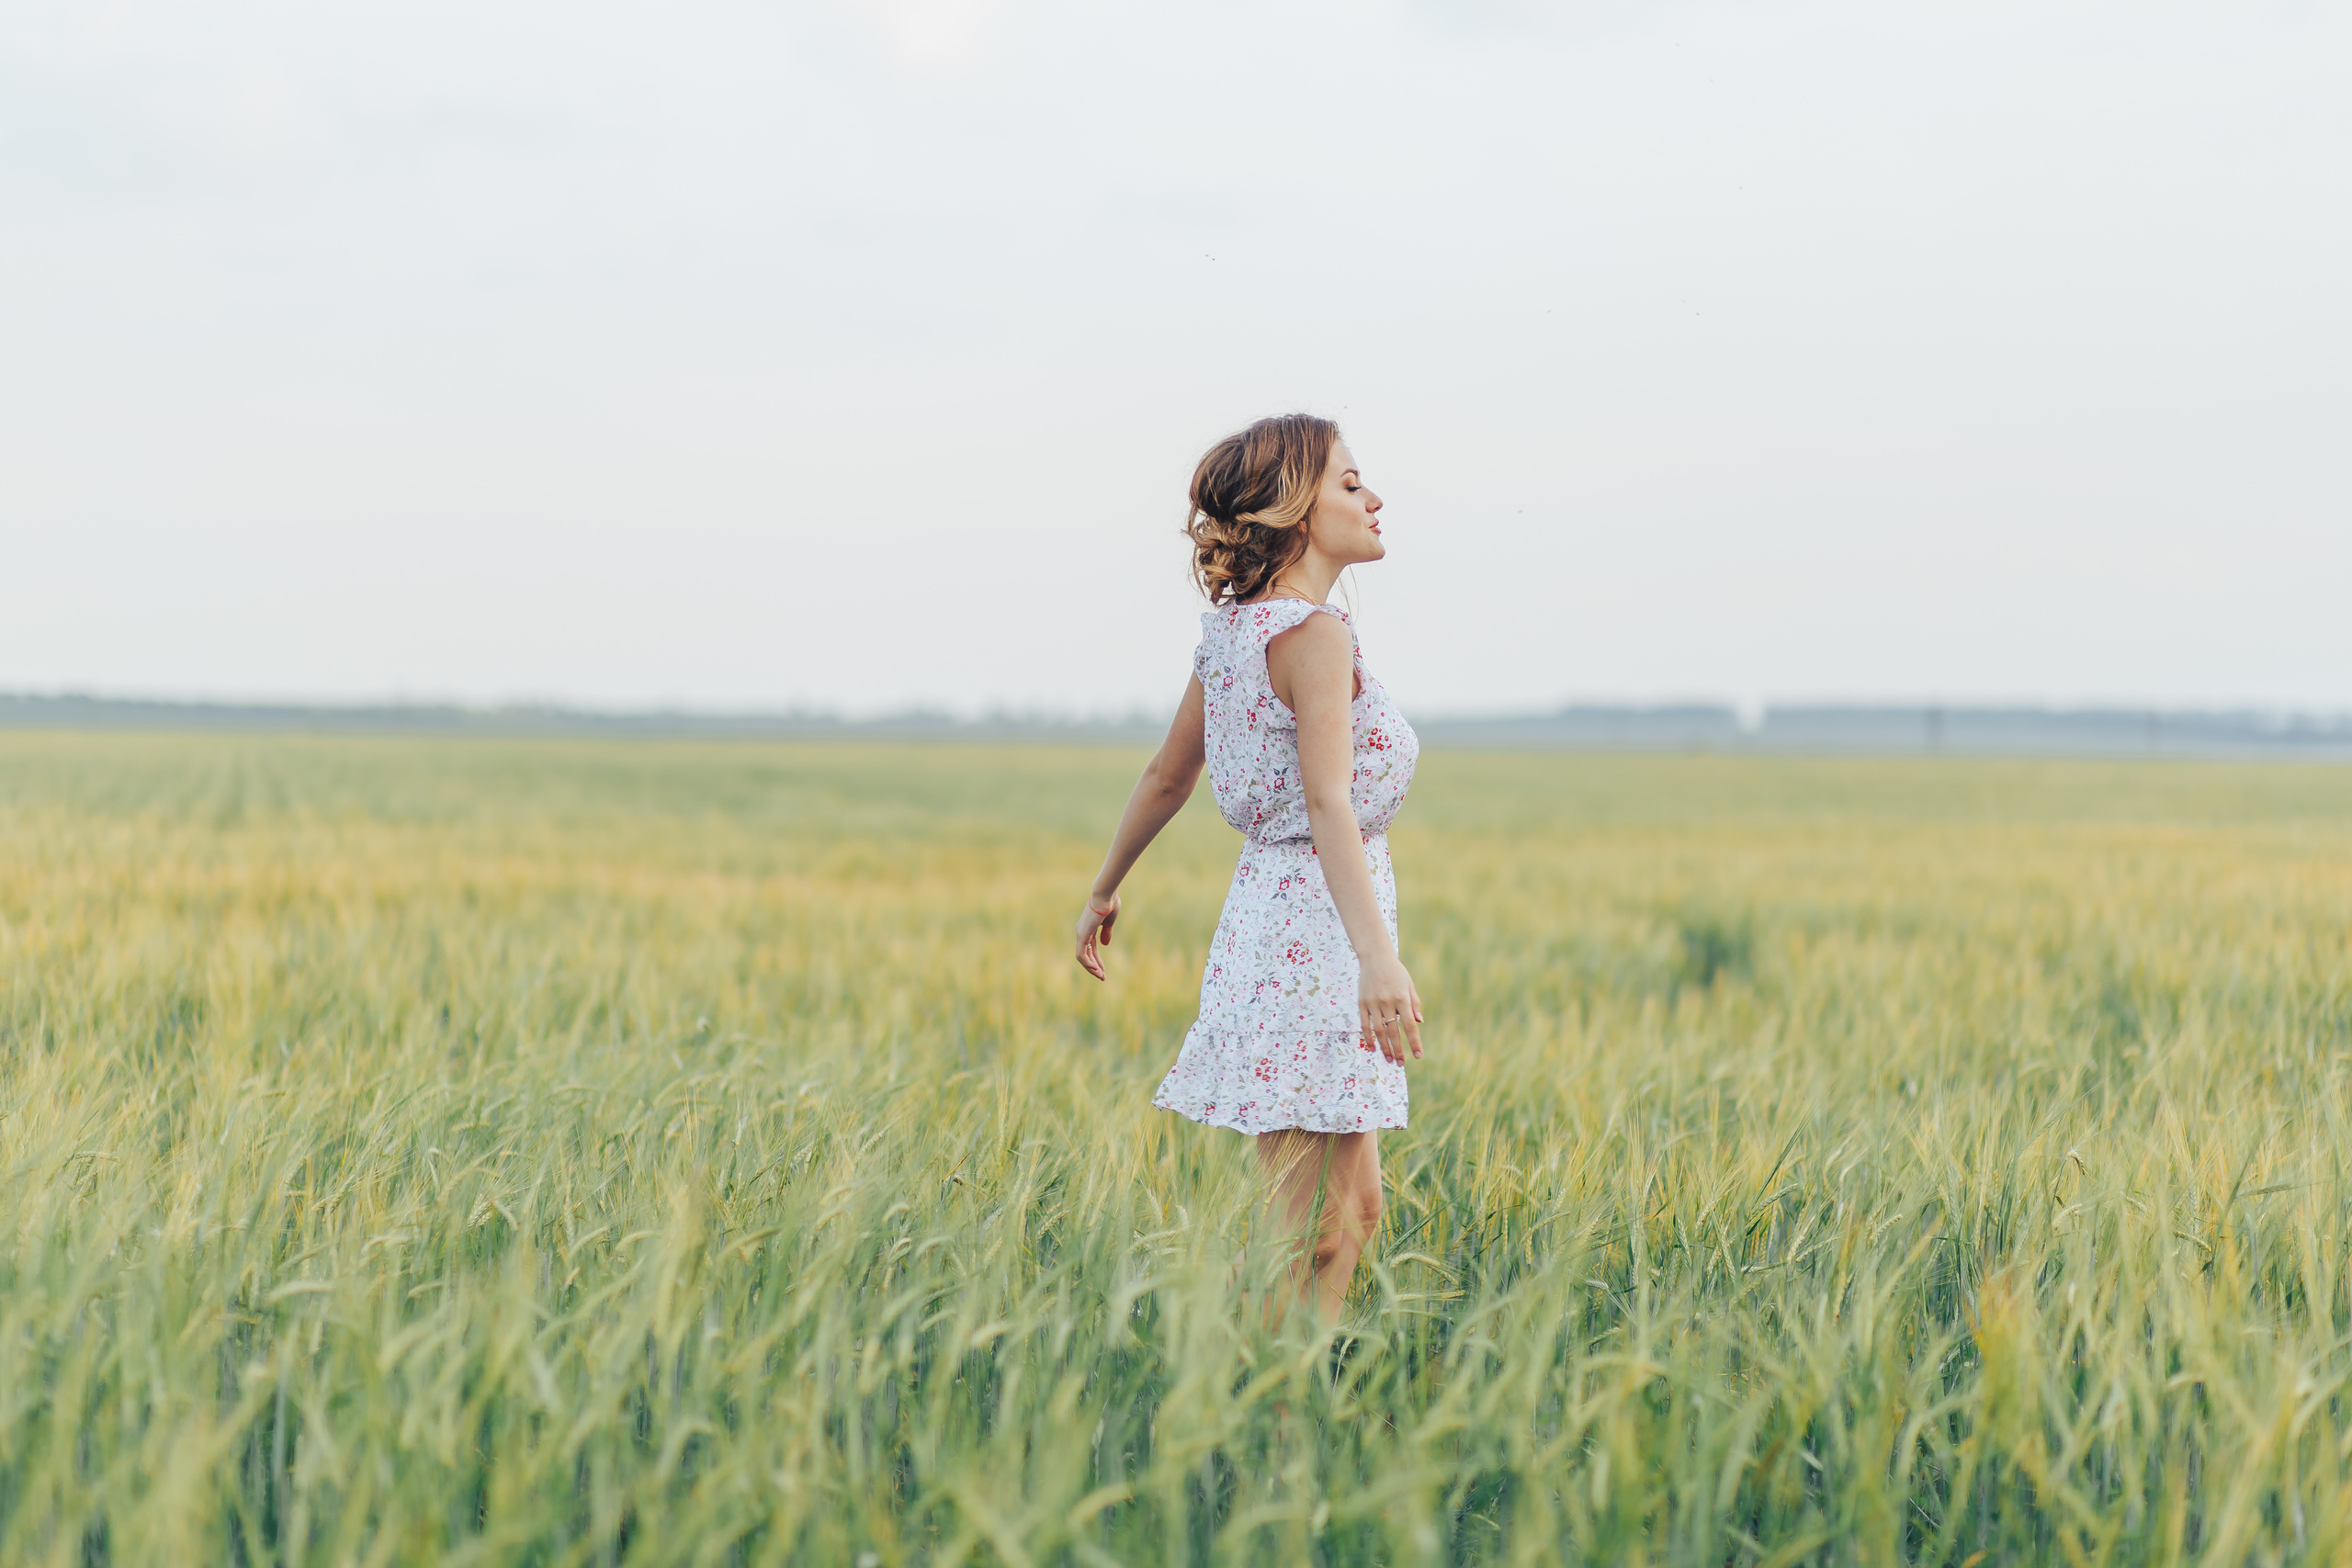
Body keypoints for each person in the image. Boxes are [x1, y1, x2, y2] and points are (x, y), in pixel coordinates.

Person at [1073, 412, 1423, 1320]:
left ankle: (1279, 1413)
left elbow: (1166, 776)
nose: (1374, 499)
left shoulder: (1234, 632)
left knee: (1346, 1220)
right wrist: (1379, 960)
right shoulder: (1310, 635)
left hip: (1270, 933)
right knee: (1313, 1231)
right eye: (1350, 484)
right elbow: (1327, 803)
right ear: (1295, 509)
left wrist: (1104, 888)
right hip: (1315, 944)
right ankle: (1249, 1415)